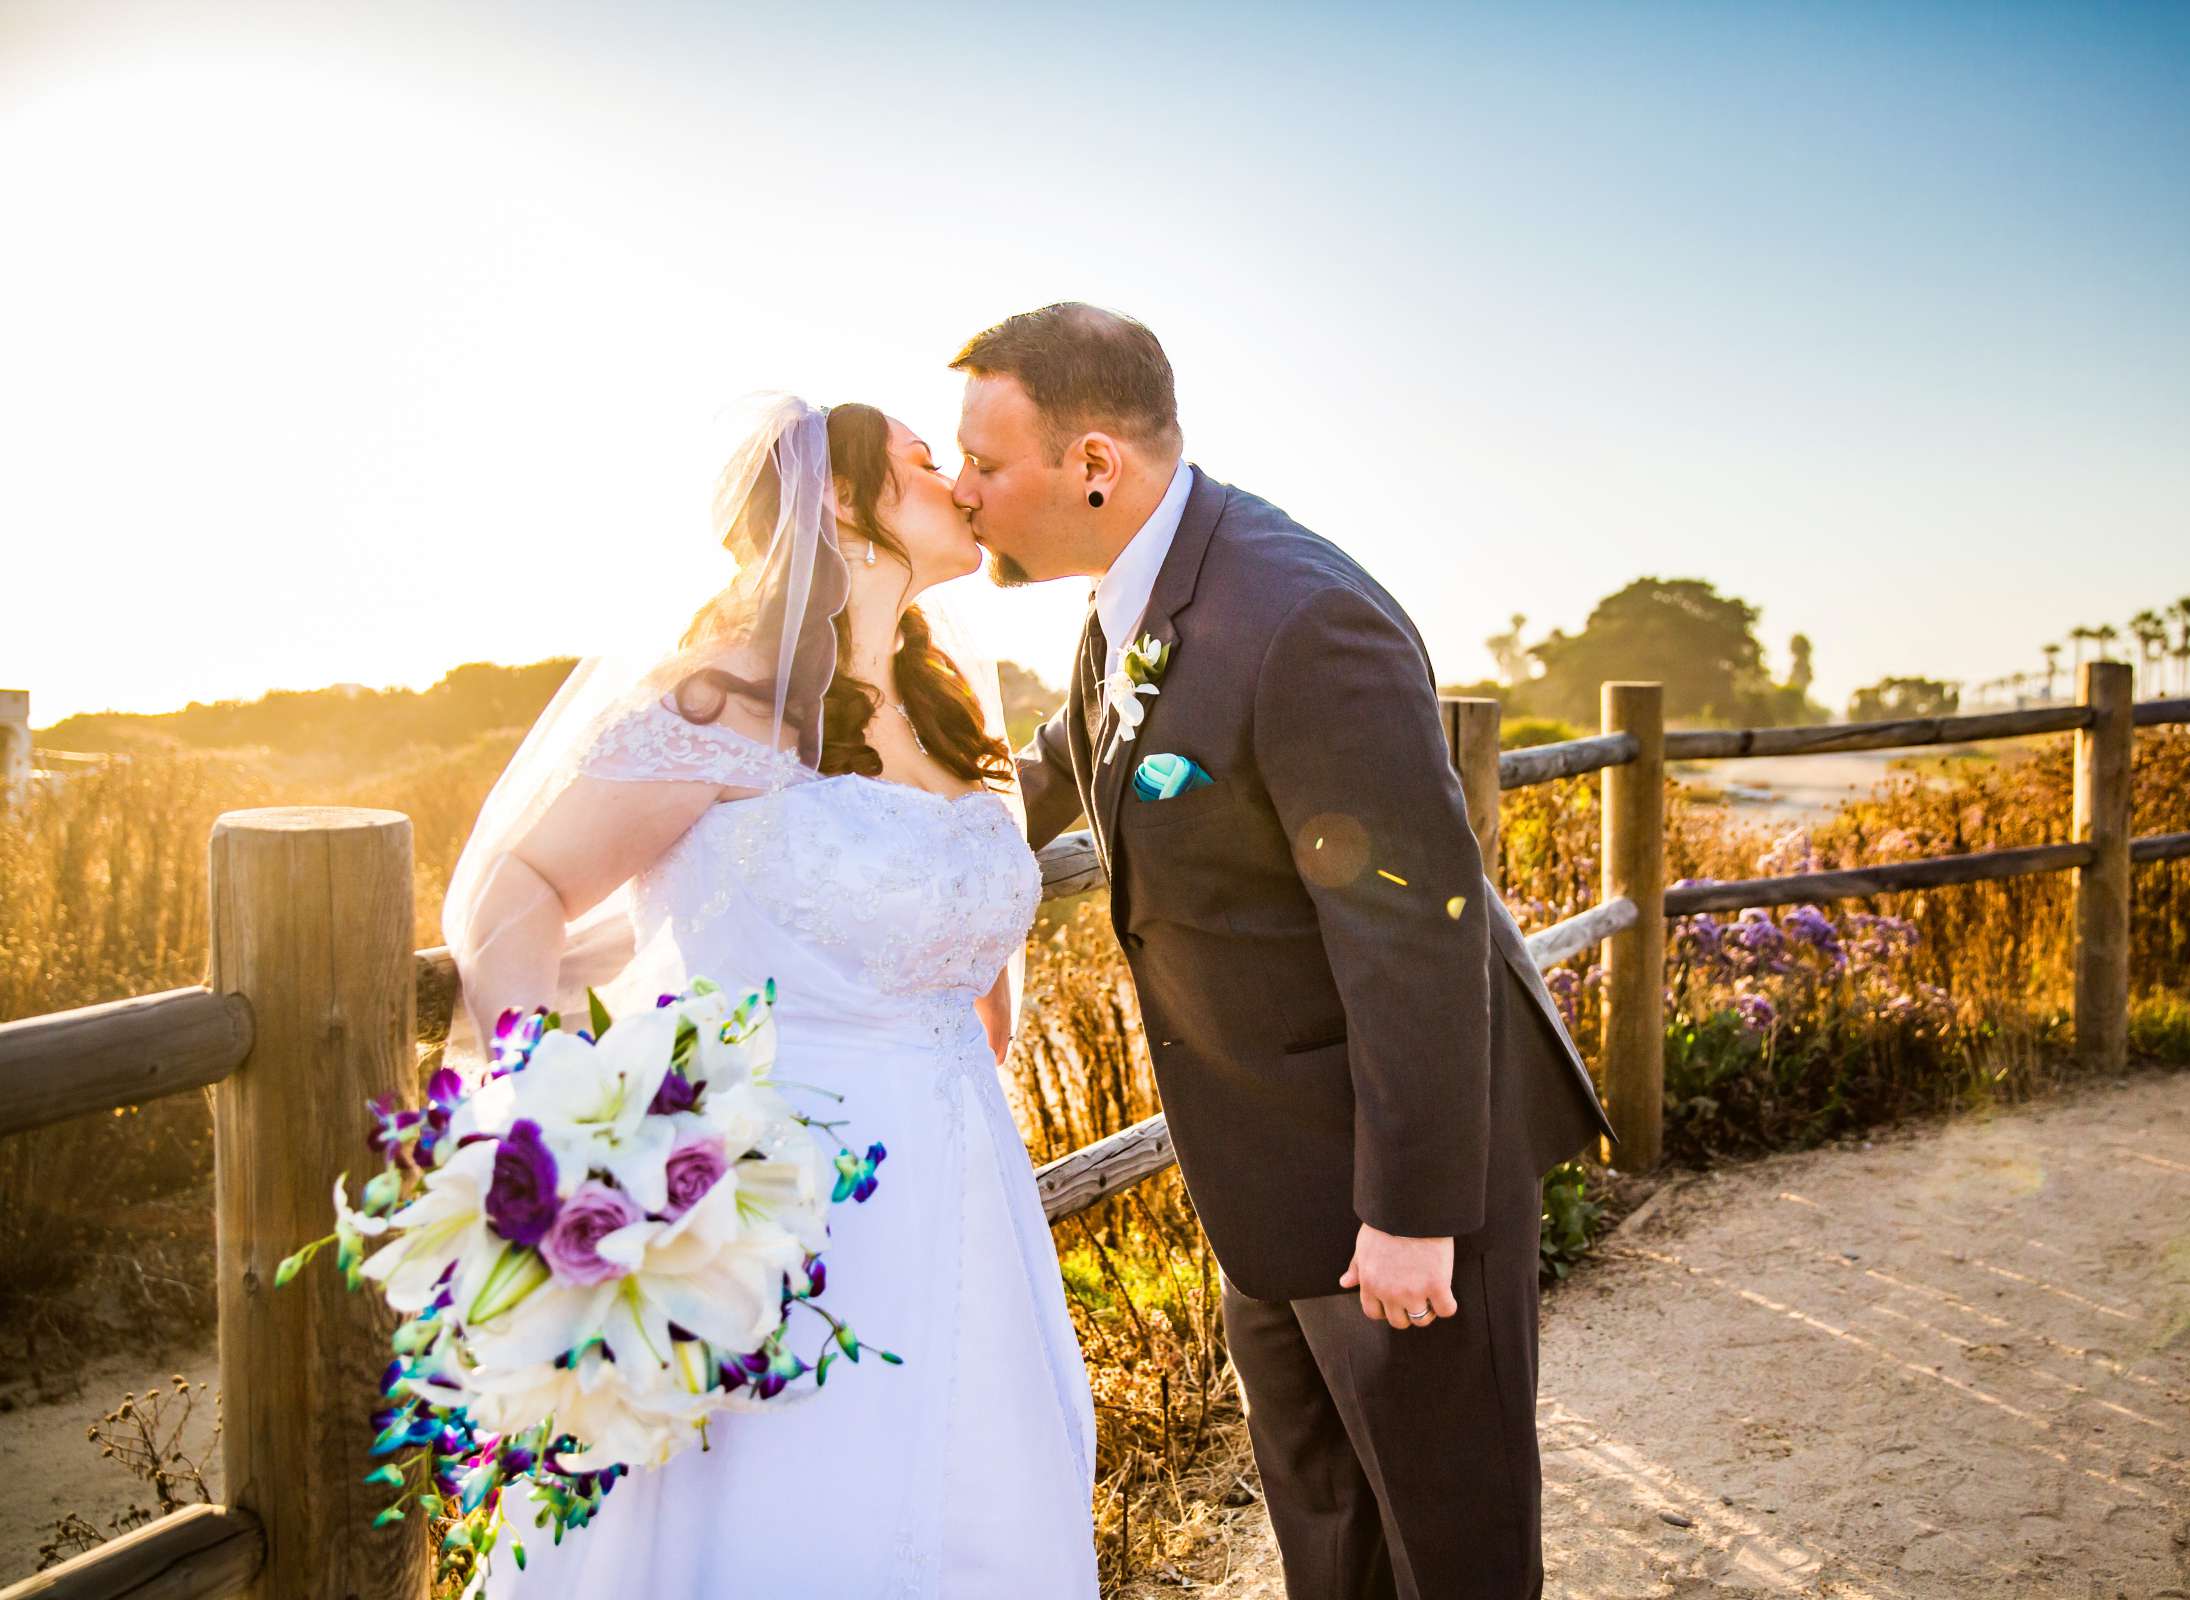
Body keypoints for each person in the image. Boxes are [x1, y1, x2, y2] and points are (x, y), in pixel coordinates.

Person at [957, 303, 1612, 1600]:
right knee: (1328, 1535)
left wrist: (1415, 1213)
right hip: (1266, 1175)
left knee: (1452, 1551)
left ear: (1095, 463)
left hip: (1398, 1177)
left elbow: (1411, 933)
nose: (965, 492)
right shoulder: (1127, 601)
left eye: (986, 461)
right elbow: (1045, 776)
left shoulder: (1302, 616)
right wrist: (867, 811)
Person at [444, 395, 1099, 1598]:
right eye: (921, 460)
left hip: (964, 1196)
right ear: (844, 504)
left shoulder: (951, 715)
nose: (958, 477)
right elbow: (524, 885)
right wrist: (551, 1124)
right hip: (767, 1205)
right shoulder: (722, 706)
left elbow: (967, 980)